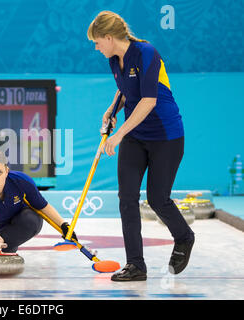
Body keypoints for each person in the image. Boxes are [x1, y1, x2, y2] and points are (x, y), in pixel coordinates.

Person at [87, 11, 195, 281]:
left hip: (165, 136)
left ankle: (184, 236)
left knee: (158, 199)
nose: (96, 47)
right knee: (127, 200)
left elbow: (148, 101)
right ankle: (136, 265)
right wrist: (112, 109)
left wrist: (118, 134)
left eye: (97, 42)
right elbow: (126, 89)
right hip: (136, 136)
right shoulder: (114, 59)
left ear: (110, 38)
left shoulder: (147, 52)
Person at [0, 150, 76, 253]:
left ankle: (6, 248)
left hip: (20, 221)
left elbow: (43, 206)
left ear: (6, 171)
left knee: (32, 220)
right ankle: (4, 248)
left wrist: (64, 226)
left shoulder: (21, 181)